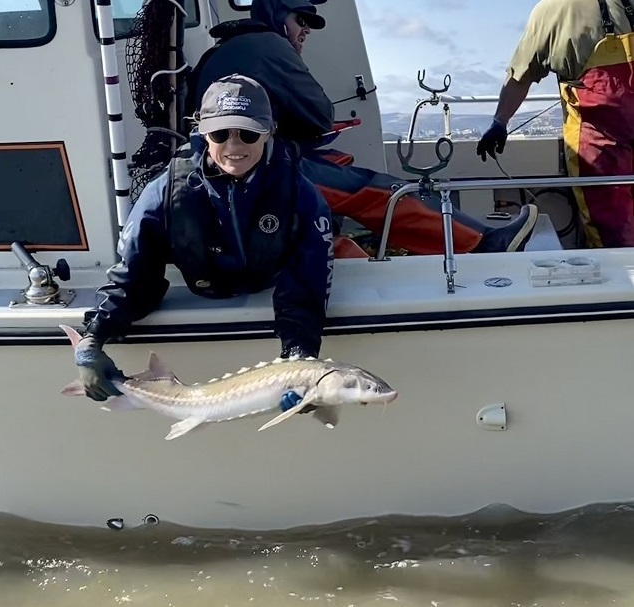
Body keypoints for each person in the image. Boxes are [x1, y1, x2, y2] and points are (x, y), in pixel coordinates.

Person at [185, 0, 540, 256]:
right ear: (277, 13)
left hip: (224, 175)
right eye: (300, 17)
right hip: (260, 174)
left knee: (338, 163)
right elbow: (319, 115)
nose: (306, 28)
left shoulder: (220, 51)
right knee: (380, 189)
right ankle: (481, 244)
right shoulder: (271, 45)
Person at [74, 74, 333, 416]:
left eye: (249, 133)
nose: (234, 145)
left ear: (270, 132)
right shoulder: (164, 194)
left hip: (266, 287)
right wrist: (93, 340)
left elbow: (308, 281)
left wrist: (299, 360)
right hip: (201, 288)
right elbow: (133, 277)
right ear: (201, 133)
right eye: (220, 133)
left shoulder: (299, 194)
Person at [477, 0, 634, 249]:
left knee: (610, 224)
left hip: (599, 140)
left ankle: (620, 279)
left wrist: (500, 121)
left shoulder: (551, 9)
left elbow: (520, 75)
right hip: (609, 132)